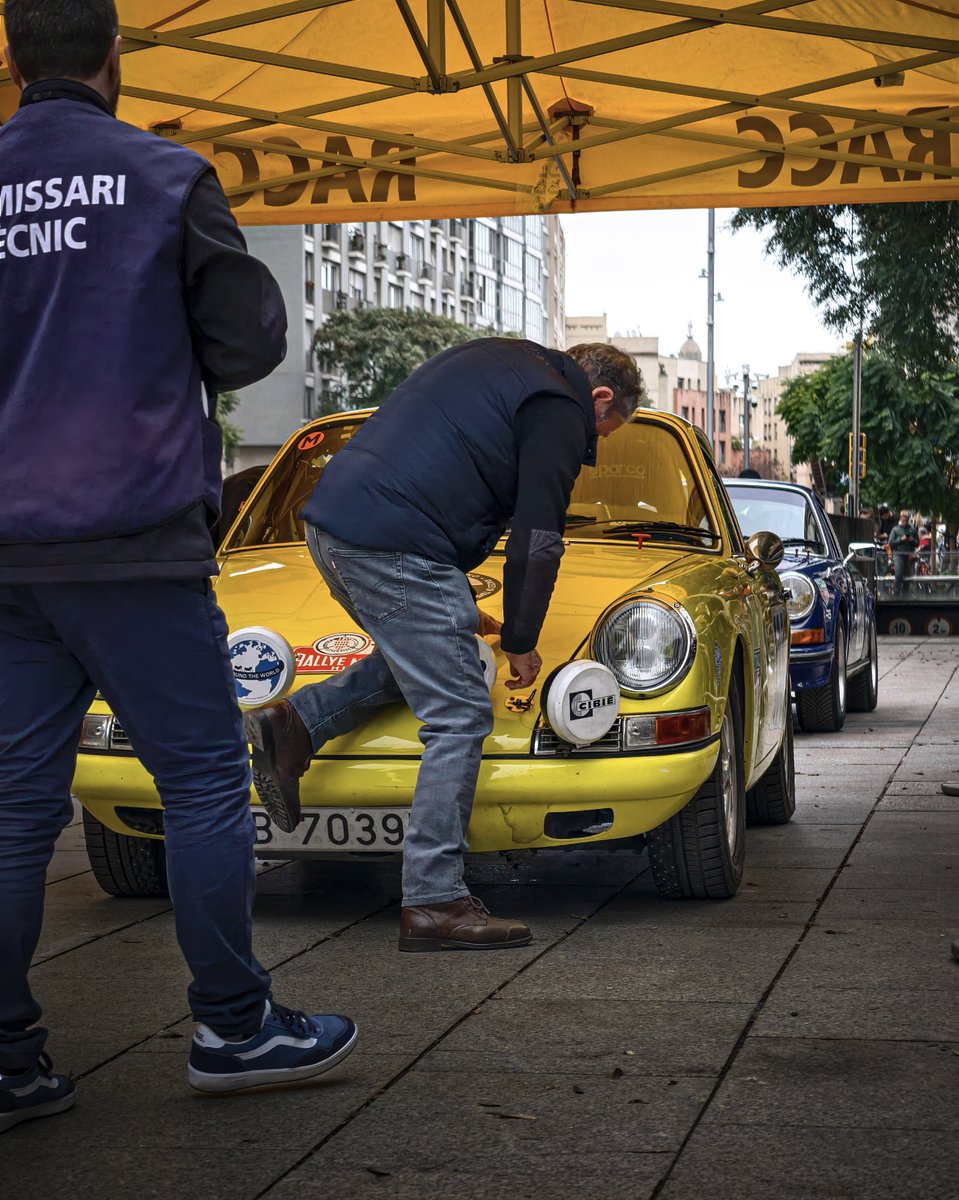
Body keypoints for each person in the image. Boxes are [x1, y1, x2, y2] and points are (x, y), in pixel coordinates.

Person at [0, 0, 356, 1134]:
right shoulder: (162, 177)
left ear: (9, 55)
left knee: (14, 807)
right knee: (203, 779)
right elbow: (248, 339)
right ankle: (233, 1024)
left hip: (6, 548)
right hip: (134, 534)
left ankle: (7, 1058)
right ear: (115, 55)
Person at [244, 339, 644, 952]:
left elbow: (436, 467)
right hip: (392, 541)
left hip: (333, 528)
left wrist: (455, 606)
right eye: (604, 433)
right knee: (458, 710)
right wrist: (520, 638)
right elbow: (538, 537)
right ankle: (435, 901)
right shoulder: (560, 405)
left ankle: (295, 722)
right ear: (601, 396)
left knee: (428, 662)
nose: (592, 447)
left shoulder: (496, 359)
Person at [888, 509, 919, 597]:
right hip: (899, 554)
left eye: (906, 519)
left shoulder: (912, 529)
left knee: (908, 576)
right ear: (901, 519)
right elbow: (890, 543)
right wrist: (900, 540)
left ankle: (906, 594)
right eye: (903, 519)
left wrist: (912, 540)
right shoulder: (895, 529)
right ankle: (896, 594)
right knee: (899, 574)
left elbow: (917, 543)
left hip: (909, 554)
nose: (905, 521)